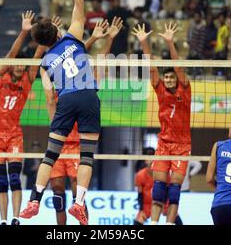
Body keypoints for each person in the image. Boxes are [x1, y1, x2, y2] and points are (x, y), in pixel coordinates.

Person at [20, 0, 100, 225]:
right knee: (87, 156)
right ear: (57, 32)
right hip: (89, 97)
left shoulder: (46, 60)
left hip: (66, 100)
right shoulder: (73, 39)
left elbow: (48, 54)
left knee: (50, 154)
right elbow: (80, 5)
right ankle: (79, 203)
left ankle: (33, 200)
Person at [45, 17, 123, 225]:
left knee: (78, 193)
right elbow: (59, 58)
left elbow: (100, 61)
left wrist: (108, 40)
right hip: (60, 143)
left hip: (78, 145)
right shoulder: (61, 81)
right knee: (57, 193)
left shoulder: (87, 82)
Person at [0, 10, 47, 226]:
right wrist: (24, 32)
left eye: (23, 64)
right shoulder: (1, 74)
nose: (21, 66)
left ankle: (15, 218)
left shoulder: (28, 79)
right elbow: (12, 54)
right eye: (18, 64)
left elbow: (38, 55)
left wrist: (46, 37)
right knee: (1, 182)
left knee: (14, 179)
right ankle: (3, 220)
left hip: (14, 136)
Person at [132, 22, 191, 225]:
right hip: (164, 145)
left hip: (182, 147)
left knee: (174, 192)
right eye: (166, 77)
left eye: (171, 76)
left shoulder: (185, 89)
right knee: (158, 189)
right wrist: (144, 43)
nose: (168, 79)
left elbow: (178, 66)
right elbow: (151, 67)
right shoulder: (160, 90)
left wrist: (170, 42)